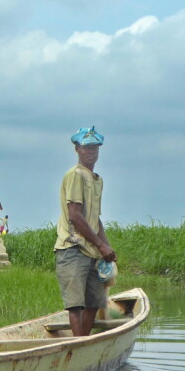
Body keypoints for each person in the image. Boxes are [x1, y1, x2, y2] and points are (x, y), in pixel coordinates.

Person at [53, 126, 116, 336]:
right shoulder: (75, 175)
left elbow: (94, 218)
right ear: (77, 149)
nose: (91, 151)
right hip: (72, 247)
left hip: (92, 251)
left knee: (94, 302)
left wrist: (106, 247)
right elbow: (75, 215)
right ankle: (77, 347)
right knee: (75, 304)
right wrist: (100, 245)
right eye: (86, 147)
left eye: (94, 147)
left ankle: (84, 343)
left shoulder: (97, 179)